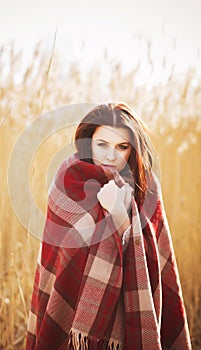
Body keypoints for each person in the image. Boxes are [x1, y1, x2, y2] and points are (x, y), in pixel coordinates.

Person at [26, 103, 192, 349]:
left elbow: (152, 261)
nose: (111, 156)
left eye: (121, 147)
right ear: (88, 142)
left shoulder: (148, 188)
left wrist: (120, 218)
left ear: (132, 150)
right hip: (74, 311)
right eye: (102, 145)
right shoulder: (67, 181)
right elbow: (61, 258)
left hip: (130, 308)